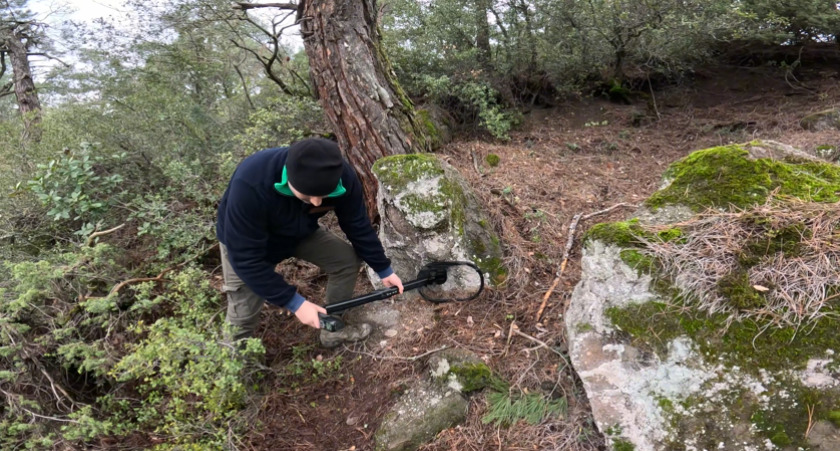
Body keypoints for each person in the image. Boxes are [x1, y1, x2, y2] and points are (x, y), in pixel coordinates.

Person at [216, 138, 403, 347]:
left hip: (298, 233)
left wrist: (383, 269)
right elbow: (246, 259)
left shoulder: (342, 177)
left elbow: (357, 225)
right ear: (289, 179)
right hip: (245, 246)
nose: (317, 202)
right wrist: (295, 303)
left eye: (324, 194)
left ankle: (332, 329)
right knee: (243, 315)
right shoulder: (251, 183)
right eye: (308, 195)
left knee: (346, 261)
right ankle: (233, 362)